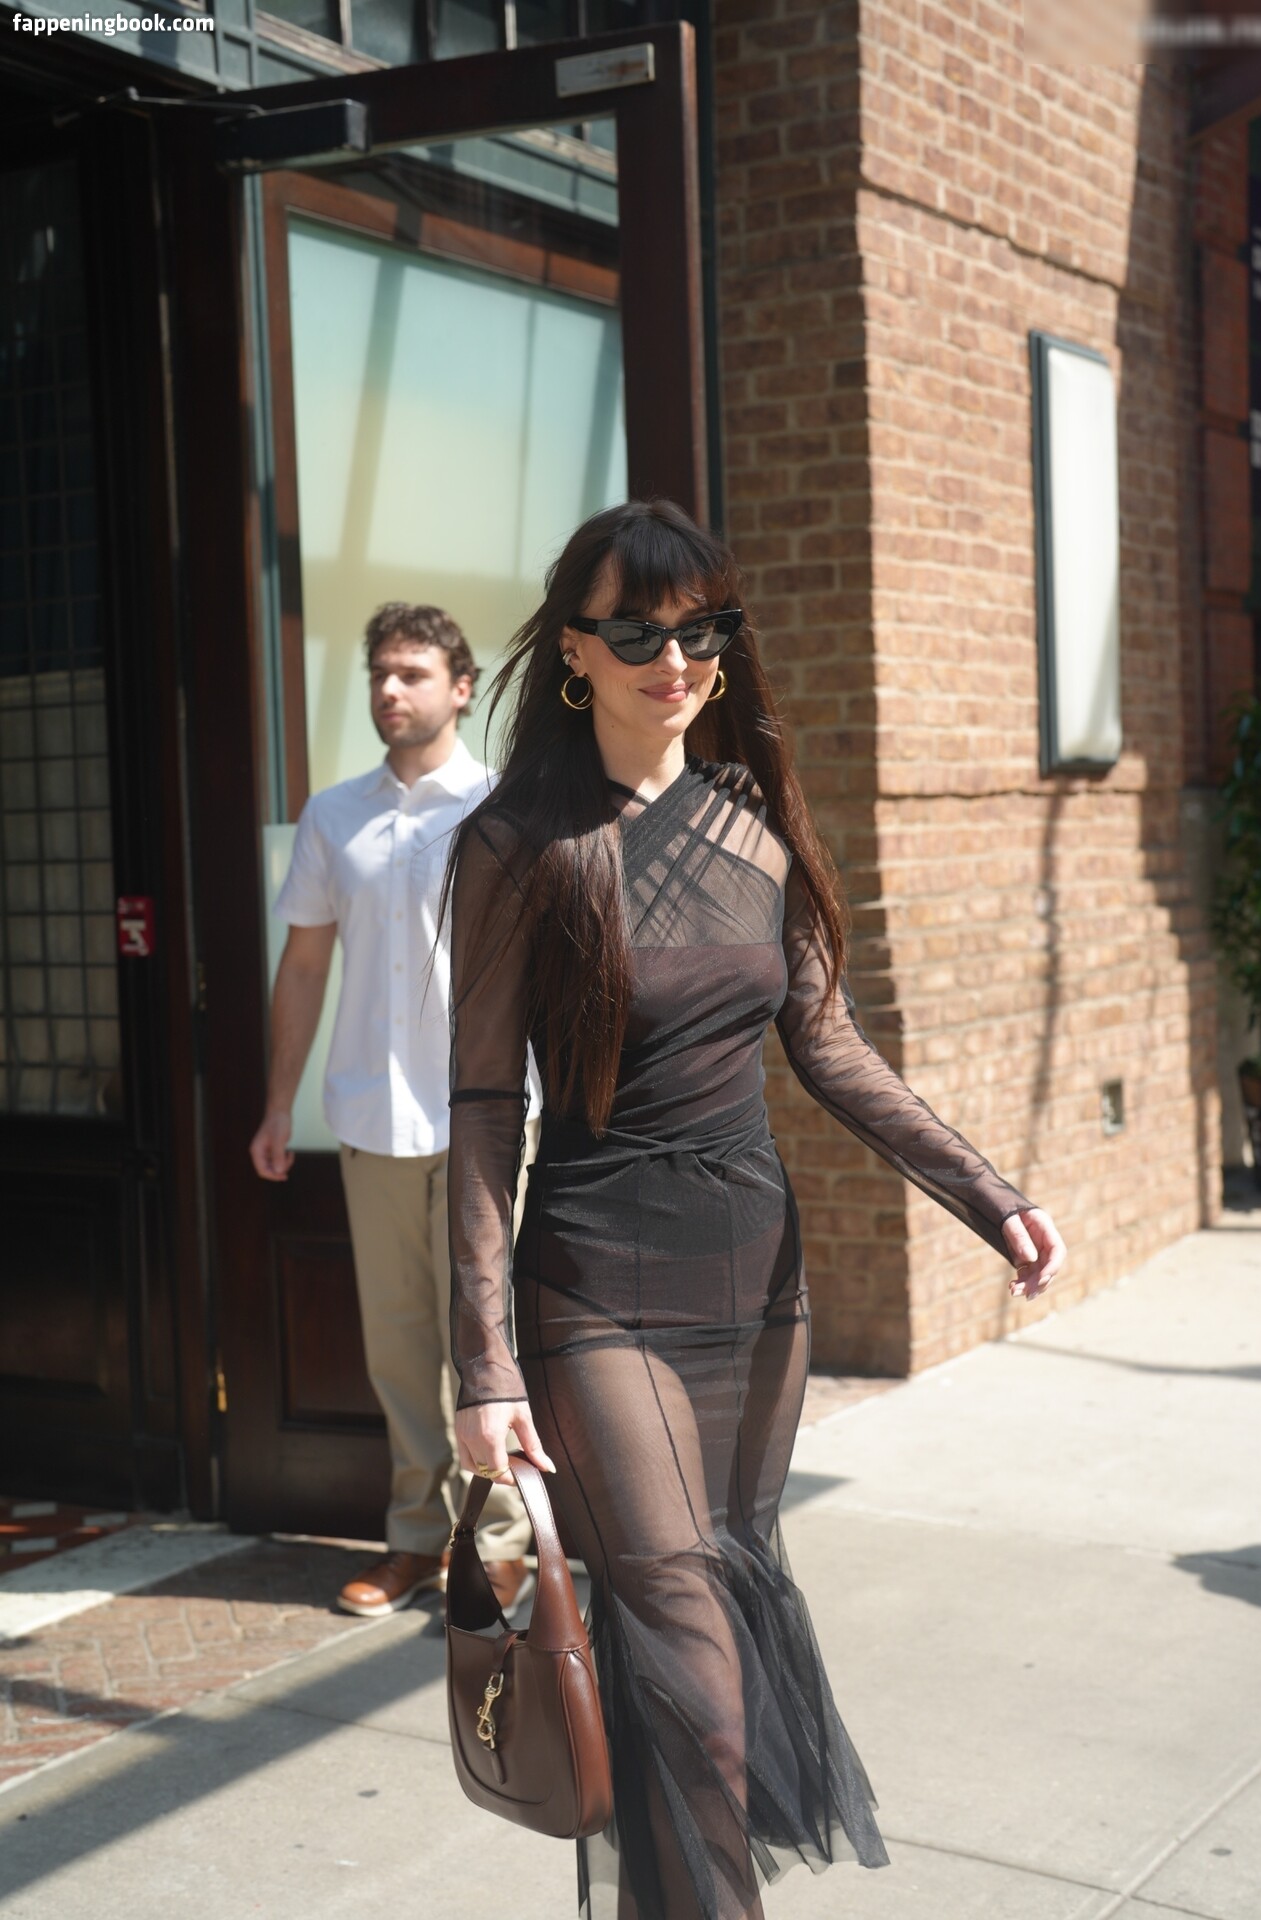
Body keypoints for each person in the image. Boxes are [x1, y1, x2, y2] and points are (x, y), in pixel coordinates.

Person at [443, 501, 1066, 1920]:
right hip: (596, 1290)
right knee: (691, 1650)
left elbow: (828, 1044)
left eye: (701, 629)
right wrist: (483, 1366)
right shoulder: (515, 844)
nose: (674, 660)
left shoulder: (753, 817)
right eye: (636, 633)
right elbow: (482, 1111)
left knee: (706, 1626)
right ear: (573, 653)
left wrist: (988, 1195)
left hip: (757, 1289)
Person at [250, 603, 534, 1620]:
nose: (388, 689)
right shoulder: (334, 816)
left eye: (411, 672)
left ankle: (501, 1542)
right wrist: (277, 1105)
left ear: (461, 687)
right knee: (398, 1349)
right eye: (379, 672)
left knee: (485, 1341)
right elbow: (304, 964)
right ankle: (415, 1538)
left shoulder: (505, 807)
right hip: (371, 1118)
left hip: (484, 1121)